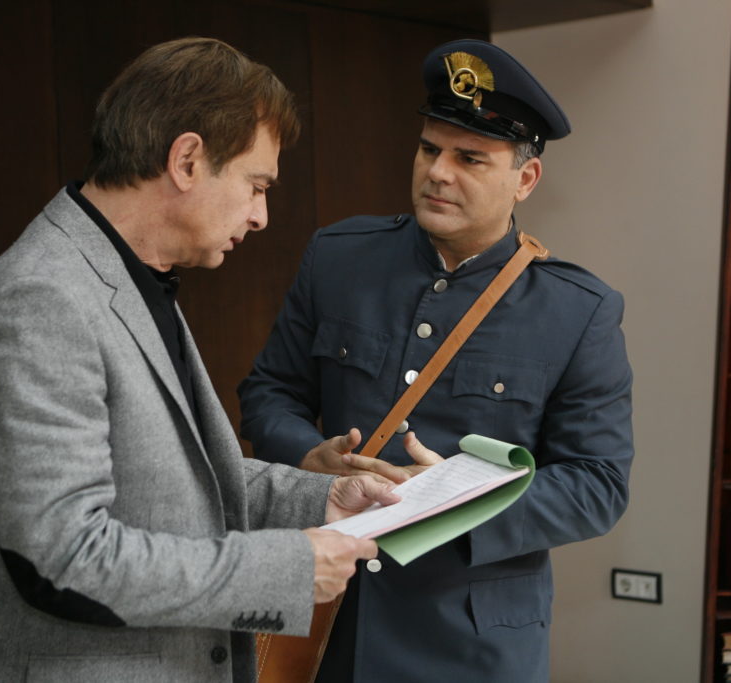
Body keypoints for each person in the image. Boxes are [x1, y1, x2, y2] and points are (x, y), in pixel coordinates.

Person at [0, 37, 400, 683]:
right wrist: (287, 569)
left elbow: (177, 482)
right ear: (187, 160)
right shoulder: (39, 296)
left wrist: (323, 498)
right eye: (255, 185)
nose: (262, 215)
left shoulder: (130, 273)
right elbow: (65, 558)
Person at [238, 39, 634, 682]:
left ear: (525, 179)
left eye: (470, 158)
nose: (438, 172)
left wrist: (464, 498)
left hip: (471, 647)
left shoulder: (577, 310)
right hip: (329, 622)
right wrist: (309, 459)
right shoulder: (339, 257)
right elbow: (269, 392)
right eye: (429, 149)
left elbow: (598, 485)